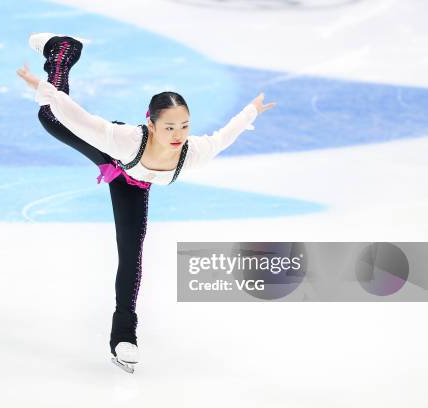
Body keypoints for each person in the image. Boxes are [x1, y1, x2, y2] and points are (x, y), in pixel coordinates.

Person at [16, 33, 275, 373]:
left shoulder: (192, 153)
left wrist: (250, 111)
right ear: (151, 125)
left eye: (184, 125)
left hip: (133, 185)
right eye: (168, 126)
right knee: (50, 118)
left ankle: (124, 337)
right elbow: (79, 118)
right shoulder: (125, 140)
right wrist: (45, 89)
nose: (178, 134)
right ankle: (61, 52)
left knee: (131, 254)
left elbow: (222, 138)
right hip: (116, 157)